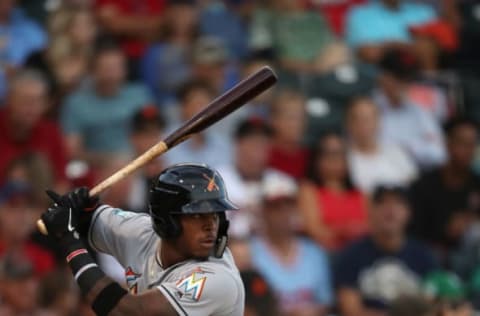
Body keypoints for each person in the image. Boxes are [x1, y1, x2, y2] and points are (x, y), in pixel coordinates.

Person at [39, 163, 244, 316]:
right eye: (198, 215)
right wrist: (80, 208)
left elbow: (126, 312)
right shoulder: (142, 233)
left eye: (215, 215)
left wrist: (69, 240)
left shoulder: (218, 278)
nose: (211, 225)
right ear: (166, 221)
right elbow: (84, 219)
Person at [334, 185, 438, 315]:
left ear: (409, 212)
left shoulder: (424, 256)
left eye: (398, 203)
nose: (390, 210)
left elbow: (435, 305)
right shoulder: (352, 255)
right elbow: (350, 310)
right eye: (382, 203)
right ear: (370, 210)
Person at [250, 173, 333, 315]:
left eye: (289, 205)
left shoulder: (314, 251)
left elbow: (326, 301)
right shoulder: (250, 253)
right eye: (275, 207)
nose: (284, 212)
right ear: (263, 211)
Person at [61, 40, 153, 162]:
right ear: (93, 71)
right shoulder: (75, 103)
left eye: (117, 68)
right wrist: (108, 161)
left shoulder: (140, 95)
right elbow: (71, 150)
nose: (112, 75)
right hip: (95, 169)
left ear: (125, 70)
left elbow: (153, 135)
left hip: (139, 164)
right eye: (106, 68)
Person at [409, 118, 480, 254]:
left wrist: (470, 221)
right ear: (448, 144)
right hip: (434, 256)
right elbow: (415, 233)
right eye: (463, 143)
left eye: (472, 144)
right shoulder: (424, 185)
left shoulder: (477, 183)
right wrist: (447, 229)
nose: (468, 151)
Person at [374, 49, 447, 168]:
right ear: (382, 77)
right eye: (398, 78)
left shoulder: (419, 110)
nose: (403, 84)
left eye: (407, 79)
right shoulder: (370, 108)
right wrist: (418, 145)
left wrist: (407, 148)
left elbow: (439, 153)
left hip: (420, 172)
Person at [299, 132, 368, 251]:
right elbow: (314, 230)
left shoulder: (360, 193)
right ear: (316, 158)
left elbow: (371, 227)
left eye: (340, 153)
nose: (334, 159)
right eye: (328, 154)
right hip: (326, 254)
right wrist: (345, 230)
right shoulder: (308, 190)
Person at [0, 69, 68, 186]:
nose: (32, 108)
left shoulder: (50, 132)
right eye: (26, 101)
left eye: (38, 101)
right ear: (9, 100)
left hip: (41, 202)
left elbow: (61, 182)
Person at [345, 96, 418, 194]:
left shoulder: (396, 152)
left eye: (368, 119)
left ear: (378, 122)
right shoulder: (343, 159)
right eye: (357, 119)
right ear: (348, 123)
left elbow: (412, 182)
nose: (363, 124)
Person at [268, 90, 309, 180]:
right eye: (291, 118)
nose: (297, 124)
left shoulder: (310, 158)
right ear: (274, 120)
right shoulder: (264, 155)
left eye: (301, 117)